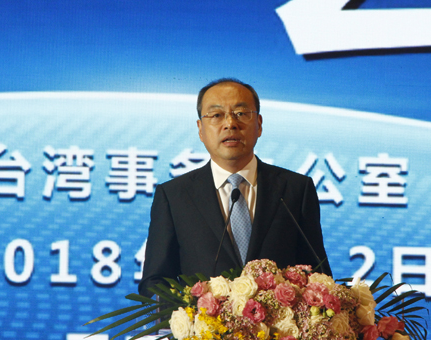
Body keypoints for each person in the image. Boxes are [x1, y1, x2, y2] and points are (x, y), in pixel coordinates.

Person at [138, 77, 331, 298]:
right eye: (216, 115)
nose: (230, 123)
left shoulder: (295, 189)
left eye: (241, 113)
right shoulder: (174, 196)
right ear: (200, 129)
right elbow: (155, 282)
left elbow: (318, 275)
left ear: (259, 124)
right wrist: (192, 311)